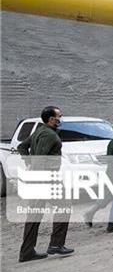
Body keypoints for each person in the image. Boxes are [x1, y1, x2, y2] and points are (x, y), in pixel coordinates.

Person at [17, 106, 74, 262]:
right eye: (59, 117)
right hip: (46, 179)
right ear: (51, 119)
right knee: (64, 206)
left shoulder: (40, 131)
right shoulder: (48, 134)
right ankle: (56, 244)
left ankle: (27, 252)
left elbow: (21, 146)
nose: (60, 119)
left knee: (34, 215)